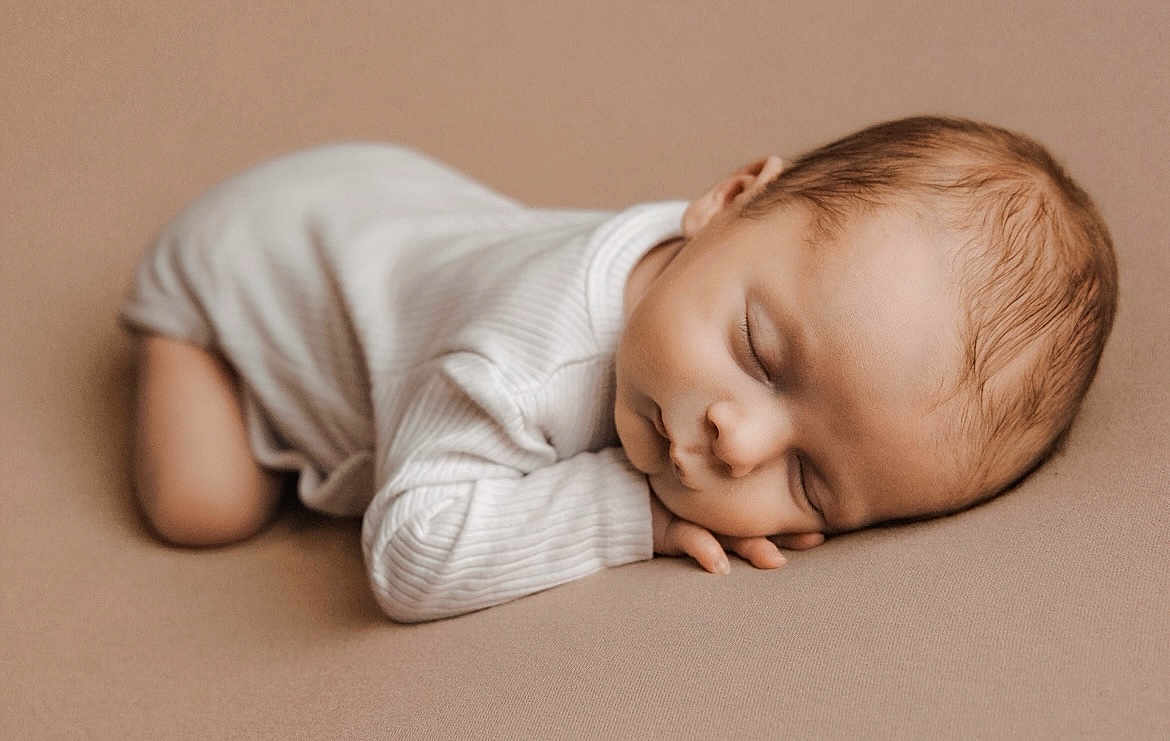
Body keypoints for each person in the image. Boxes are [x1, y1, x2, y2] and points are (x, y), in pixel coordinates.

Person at [119, 116, 1118, 622]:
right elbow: (410, 552)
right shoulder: (524, 364)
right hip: (256, 257)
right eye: (760, 354)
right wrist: (625, 510)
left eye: (808, 480)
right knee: (207, 506)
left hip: (385, 211)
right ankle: (178, 327)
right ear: (727, 200)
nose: (739, 442)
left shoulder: (712, 272)